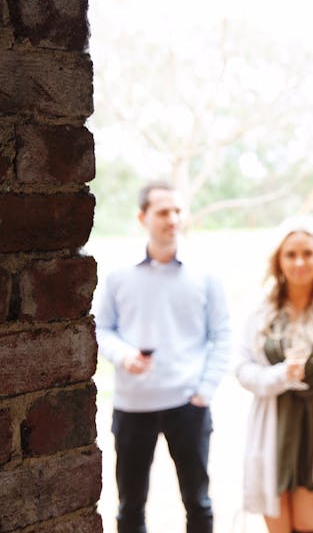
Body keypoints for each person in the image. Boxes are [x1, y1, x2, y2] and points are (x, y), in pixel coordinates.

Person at [95, 181, 232, 533]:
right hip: (132, 405)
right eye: (162, 212)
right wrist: (125, 355)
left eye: (176, 210)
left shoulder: (206, 273)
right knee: (130, 505)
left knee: (198, 503)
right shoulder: (118, 274)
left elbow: (222, 335)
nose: (172, 218)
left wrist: (206, 389)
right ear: (143, 217)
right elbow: (101, 329)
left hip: (189, 404)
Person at [235, 218, 313, 533]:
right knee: (277, 525)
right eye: (291, 254)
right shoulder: (260, 310)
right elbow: (243, 369)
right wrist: (279, 376)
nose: (300, 262)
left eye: (308, 253)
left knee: (309, 524)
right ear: (279, 260)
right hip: (273, 429)